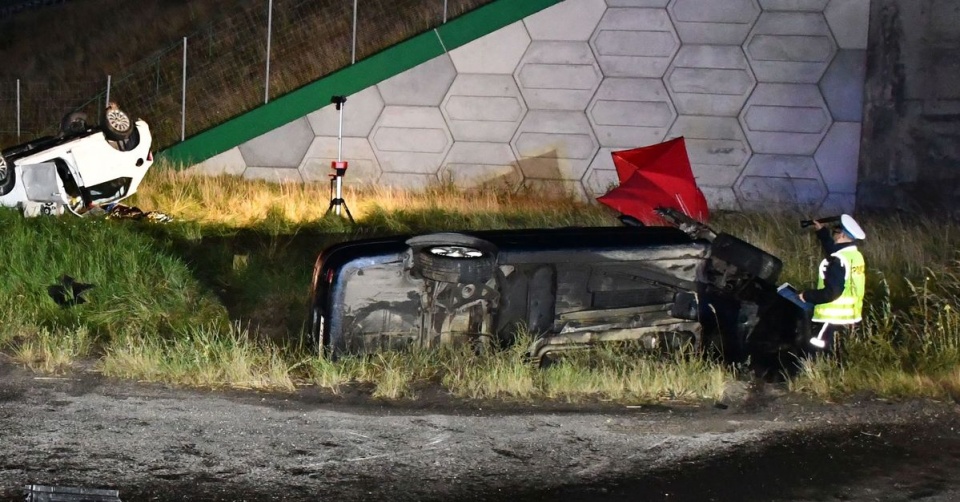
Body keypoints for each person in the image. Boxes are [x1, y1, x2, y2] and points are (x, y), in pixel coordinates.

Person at [798, 214, 866, 360]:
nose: (833, 235)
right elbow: (835, 252)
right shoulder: (855, 256)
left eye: (834, 232)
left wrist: (806, 296)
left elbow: (832, 292)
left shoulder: (839, 260)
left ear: (841, 235)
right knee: (840, 357)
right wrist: (822, 232)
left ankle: (814, 381)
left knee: (816, 356)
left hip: (831, 319)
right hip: (850, 317)